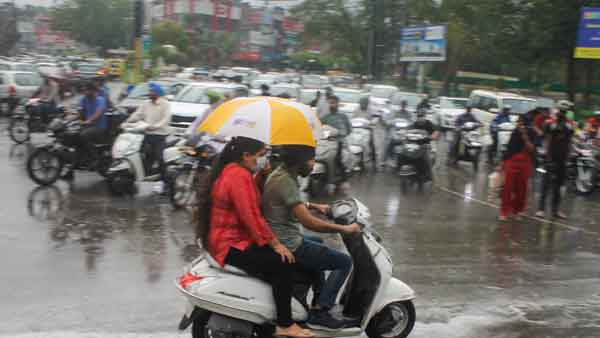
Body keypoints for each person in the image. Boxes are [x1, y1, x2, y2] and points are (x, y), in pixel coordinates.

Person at [196, 136, 314, 338]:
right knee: (283, 263)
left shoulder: (237, 172)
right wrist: (276, 244)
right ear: (246, 155)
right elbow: (251, 215)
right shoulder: (238, 176)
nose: (263, 159)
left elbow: (248, 199)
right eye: (260, 155)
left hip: (231, 239)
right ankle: (285, 323)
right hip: (231, 244)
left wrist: (259, 177)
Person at [262, 145, 361, 329]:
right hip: (288, 243)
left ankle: (317, 298)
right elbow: (310, 223)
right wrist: (344, 229)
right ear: (300, 161)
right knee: (344, 262)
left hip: (281, 237)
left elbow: (291, 202)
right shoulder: (286, 181)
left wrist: (315, 206)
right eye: (311, 160)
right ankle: (321, 311)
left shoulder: (281, 174)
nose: (314, 164)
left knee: (318, 243)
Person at [123, 82, 172, 184]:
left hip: (160, 135)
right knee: (138, 153)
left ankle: (166, 180)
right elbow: (137, 115)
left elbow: (166, 119)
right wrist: (126, 122)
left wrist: (155, 127)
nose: (149, 93)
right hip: (147, 134)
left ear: (157, 93)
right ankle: (143, 174)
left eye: (151, 91)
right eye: (149, 91)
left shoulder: (165, 104)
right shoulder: (145, 103)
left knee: (159, 157)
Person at [536, 102, 575, 219]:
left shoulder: (569, 124)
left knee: (559, 186)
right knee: (546, 184)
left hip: (563, 158)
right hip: (550, 157)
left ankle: (556, 210)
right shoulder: (550, 122)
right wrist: (556, 122)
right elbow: (546, 131)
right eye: (561, 111)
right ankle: (541, 209)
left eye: (564, 111)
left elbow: (571, 132)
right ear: (557, 110)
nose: (562, 113)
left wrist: (564, 124)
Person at [498, 115, 536, 221]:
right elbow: (509, 149)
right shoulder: (515, 132)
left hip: (525, 162)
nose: (518, 125)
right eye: (518, 123)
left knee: (522, 188)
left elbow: (532, 148)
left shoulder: (532, 133)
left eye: (520, 123)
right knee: (508, 188)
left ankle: (517, 211)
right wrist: (502, 163)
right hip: (512, 161)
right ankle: (504, 212)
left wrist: (524, 135)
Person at [321, 95, 352, 185]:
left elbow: (349, 129)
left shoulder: (343, 116)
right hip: (327, 142)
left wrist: (341, 134)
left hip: (340, 142)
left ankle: (344, 179)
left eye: (334, 103)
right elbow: (320, 128)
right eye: (330, 103)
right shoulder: (325, 117)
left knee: (338, 159)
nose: (332, 105)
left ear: (338, 104)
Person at [411, 108, 439, 181]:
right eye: (419, 116)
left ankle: (430, 174)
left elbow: (435, 131)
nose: (420, 117)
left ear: (424, 116)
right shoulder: (415, 124)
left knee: (427, 157)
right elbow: (408, 130)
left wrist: (432, 136)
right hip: (414, 145)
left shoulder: (428, 123)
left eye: (421, 116)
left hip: (425, 145)